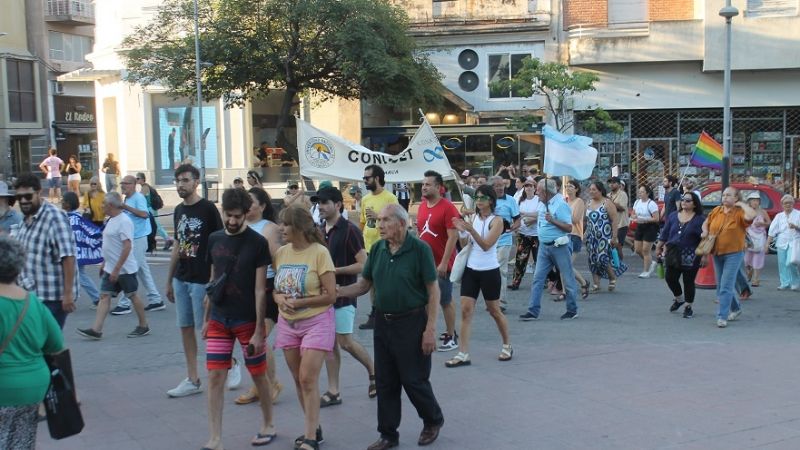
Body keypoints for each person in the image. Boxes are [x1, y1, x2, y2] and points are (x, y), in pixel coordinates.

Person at [338, 204, 444, 450]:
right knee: (385, 382)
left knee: (413, 379)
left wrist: (430, 329)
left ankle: (433, 420)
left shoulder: (419, 250)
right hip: (383, 324)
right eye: (379, 221)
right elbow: (364, 285)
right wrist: (338, 292)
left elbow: (433, 290)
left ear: (401, 223)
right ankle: (388, 434)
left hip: (412, 322)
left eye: (386, 220)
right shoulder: (377, 250)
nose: (380, 225)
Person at [202, 188, 275, 450]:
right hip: (220, 319)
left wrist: (258, 329)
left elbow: (259, 289)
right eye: (228, 216)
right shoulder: (214, 239)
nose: (232, 221)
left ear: (246, 214)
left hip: (246, 321)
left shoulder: (257, 243)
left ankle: (268, 423)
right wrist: (206, 318)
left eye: (237, 216)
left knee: (258, 375)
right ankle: (215, 437)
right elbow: (213, 281)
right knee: (214, 377)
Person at [272, 205, 336, 450]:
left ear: (299, 227)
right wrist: (278, 299)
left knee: (308, 378)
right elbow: (277, 289)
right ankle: (314, 426)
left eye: (286, 224)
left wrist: (300, 302)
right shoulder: (281, 253)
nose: (281, 228)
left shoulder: (319, 253)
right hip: (288, 324)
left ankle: (310, 437)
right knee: (299, 380)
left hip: (317, 322)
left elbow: (330, 295)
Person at [0, 235, 65, 450]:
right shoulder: (32, 302)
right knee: (21, 441)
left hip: (4, 386)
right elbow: (56, 346)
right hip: (33, 387)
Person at [165, 164, 224, 398]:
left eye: (185, 180)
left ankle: (229, 361)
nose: (181, 185)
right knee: (185, 328)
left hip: (202, 279)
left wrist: (213, 278)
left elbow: (218, 244)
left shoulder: (208, 209)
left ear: (196, 182)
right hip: (182, 277)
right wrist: (169, 280)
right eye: (178, 181)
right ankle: (192, 378)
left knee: (206, 329)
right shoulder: (179, 210)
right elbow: (178, 245)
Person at [315, 186, 376, 407]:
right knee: (330, 344)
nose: (320, 207)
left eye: (324, 202)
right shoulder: (320, 230)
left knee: (345, 342)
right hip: (323, 298)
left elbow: (363, 264)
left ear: (338, 204)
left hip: (344, 295)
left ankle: (373, 371)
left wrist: (335, 272)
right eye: (318, 203)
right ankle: (334, 391)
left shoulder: (350, 230)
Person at [447, 184, 512, 367]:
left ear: (490, 200)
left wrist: (470, 229)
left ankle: (507, 344)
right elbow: (465, 242)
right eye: (476, 197)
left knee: (494, 311)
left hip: (489, 271)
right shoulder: (473, 217)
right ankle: (463, 353)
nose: (478, 201)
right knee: (466, 311)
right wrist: (461, 231)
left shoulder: (497, 221)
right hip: (471, 269)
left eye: (482, 197)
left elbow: (486, 245)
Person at [76, 192, 150, 339]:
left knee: (132, 295)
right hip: (111, 268)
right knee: (104, 296)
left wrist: (116, 269)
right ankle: (96, 330)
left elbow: (127, 247)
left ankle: (143, 325)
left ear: (110, 205)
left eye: (103, 203)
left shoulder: (124, 221)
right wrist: (105, 263)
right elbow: (110, 245)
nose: (101, 206)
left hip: (124, 269)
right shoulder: (111, 219)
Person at [234, 186, 284, 405]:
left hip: (267, 286)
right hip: (244, 289)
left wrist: (280, 290)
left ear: (263, 206)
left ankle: (271, 383)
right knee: (248, 340)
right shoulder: (238, 225)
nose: (247, 204)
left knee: (260, 336)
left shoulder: (269, 228)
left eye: (251, 201)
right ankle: (258, 384)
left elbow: (277, 260)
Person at [12, 174, 77, 328]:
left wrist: (67, 294)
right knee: (38, 345)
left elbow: (68, 256)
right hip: (31, 296)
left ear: (39, 192)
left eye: (28, 196)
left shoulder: (55, 217)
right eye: (19, 197)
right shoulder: (25, 218)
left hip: (52, 298)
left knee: (46, 345)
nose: (23, 201)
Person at [520, 178, 580, 321]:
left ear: (546, 192)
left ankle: (572, 310)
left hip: (560, 246)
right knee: (538, 278)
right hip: (544, 246)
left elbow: (569, 227)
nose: (536, 192)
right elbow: (540, 218)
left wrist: (552, 220)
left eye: (539, 190)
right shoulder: (542, 203)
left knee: (567, 278)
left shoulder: (560, 205)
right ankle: (533, 311)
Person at [416, 171, 461, 352]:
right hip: (425, 262)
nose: (424, 187)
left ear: (438, 187)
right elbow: (420, 233)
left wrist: (443, 263)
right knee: (424, 300)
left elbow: (453, 237)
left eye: (428, 184)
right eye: (423, 184)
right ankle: (427, 333)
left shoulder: (448, 207)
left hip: (442, 264)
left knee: (445, 300)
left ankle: (452, 336)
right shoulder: (421, 206)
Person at [701, 186, 757, 328]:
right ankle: (736, 308)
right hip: (717, 252)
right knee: (721, 285)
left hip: (734, 253)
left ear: (736, 198)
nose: (724, 197)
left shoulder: (739, 212)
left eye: (729, 195)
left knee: (726, 285)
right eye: (724, 195)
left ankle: (722, 316)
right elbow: (705, 223)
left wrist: (742, 204)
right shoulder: (716, 211)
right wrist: (705, 232)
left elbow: (752, 215)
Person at [112, 175, 165, 314]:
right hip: (133, 237)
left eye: (126, 183)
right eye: (122, 183)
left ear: (134, 184)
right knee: (142, 270)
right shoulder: (128, 198)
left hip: (140, 238)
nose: (123, 185)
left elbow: (144, 214)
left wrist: (125, 207)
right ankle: (156, 299)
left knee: (130, 270)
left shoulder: (138, 198)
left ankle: (125, 303)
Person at [358, 164, 398, 330]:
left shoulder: (390, 198)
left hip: (386, 246)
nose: (365, 181)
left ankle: (391, 313)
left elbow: (398, 221)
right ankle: (375, 314)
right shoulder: (366, 199)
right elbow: (362, 222)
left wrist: (379, 216)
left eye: (367, 178)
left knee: (387, 281)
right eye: (364, 178)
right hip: (369, 247)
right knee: (372, 282)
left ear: (377, 178)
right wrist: (359, 241)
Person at [655, 192, 705, 319]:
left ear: (694, 204)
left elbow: (704, 239)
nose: (684, 202)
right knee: (670, 277)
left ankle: (688, 306)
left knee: (688, 281)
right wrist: (658, 246)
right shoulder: (672, 216)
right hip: (672, 251)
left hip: (691, 254)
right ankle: (679, 298)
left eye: (688, 200)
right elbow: (665, 233)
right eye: (683, 199)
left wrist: (705, 255)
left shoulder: (700, 219)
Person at [62, 192, 101, 309]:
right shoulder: (76, 217)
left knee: (80, 276)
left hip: (73, 254)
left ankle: (97, 299)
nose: (61, 201)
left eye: (63, 200)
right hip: (77, 253)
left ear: (68, 204)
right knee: (77, 275)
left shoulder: (70, 219)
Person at [585, 181, 626, 292]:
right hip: (591, 237)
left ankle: (612, 277)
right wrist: (584, 234)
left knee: (602, 258)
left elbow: (614, 220)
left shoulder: (607, 203)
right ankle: (596, 284)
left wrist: (614, 236)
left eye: (594, 190)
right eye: (590, 189)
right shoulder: (588, 203)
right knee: (592, 260)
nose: (591, 192)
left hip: (604, 236)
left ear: (600, 190)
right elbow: (586, 221)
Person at [490, 176, 521, 307]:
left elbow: (518, 220)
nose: (500, 187)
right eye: (497, 185)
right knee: (490, 271)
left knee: (501, 270)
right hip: (488, 241)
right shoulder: (487, 200)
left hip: (504, 241)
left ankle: (501, 301)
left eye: (502, 185)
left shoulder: (511, 200)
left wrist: (512, 228)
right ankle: (492, 300)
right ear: (492, 188)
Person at [510, 178, 540, 290]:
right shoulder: (520, 200)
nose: (528, 187)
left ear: (534, 188)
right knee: (520, 260)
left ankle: (546, 281)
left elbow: (541, 214)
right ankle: (515, 282)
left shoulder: (539, 200)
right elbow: (516, 215)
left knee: (539, 259)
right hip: (523, 233)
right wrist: (516, 227)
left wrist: (528, 215)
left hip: (536, 234)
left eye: (530, 186)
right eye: (526, 186)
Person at [767, 194, 800, 290]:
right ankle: (785, 283)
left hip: (794, 241)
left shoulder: (798, 214)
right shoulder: (779, 216)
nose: (788, 205)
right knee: (782, 263)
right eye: (785, 203)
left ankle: (795, 282)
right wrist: (767, 244)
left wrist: (796, 227)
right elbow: (772, 231)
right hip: (782, 242)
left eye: (790, 203)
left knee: (790, 262)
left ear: (793, 204)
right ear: (782, 205)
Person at [136, 172, 174, 251]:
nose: (136, 180)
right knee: (153, 226)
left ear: (142, 179)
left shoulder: (145, 187)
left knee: (156, 226)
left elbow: (139, 198)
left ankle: (167, 239)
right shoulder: (145, 187)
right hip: (150, 209)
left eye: (138, 178)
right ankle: (155, 242)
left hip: (150, 210)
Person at [566, 180, 589, 298]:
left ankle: (583, 283)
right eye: (567, 186)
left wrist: (562, 216)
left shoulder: (579, 202)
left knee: (567, 264)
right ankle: (566, 290)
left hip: (575, 235)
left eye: (571, 186)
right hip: (564, 235)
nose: (568, 188)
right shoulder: (564, 201)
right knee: (563, 265)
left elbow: (575, 219)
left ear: (576, 189)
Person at [632, 185, 660, 278]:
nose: (640, 193)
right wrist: (634, 217)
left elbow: (656, 218)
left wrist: (644, 219)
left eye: (642, 192)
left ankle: (646, 271)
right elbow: (633, 213)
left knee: (645, 250)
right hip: (640, 226)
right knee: (638, 249)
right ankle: (651, 262)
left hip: (650, 228)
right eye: (639, 192)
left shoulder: (651, 204)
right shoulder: (637, 202)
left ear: (647, 193)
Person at [743, 192, 771, 287]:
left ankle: (756, 279)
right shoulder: (745, 211)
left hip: (760, 237)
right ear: (749, 202)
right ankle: (749, 271)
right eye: (753, 200)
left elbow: (769, 222)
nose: (755, 202)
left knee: (758, 258)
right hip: (749, 237)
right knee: (746, 259)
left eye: (757, 201)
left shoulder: (763, 212)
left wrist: (762, 224)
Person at [607, 177, 629, 261]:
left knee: (618, 246)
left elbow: (622, 208)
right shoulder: (608, 195)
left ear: (619, 184)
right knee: (612, 245)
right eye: (610, 183)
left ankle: (620, 263)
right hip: (611, 224)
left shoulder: (622, 194)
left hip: (621, 224)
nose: (611, 184)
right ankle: (615, 262)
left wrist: (610, 202)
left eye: (613, 183)